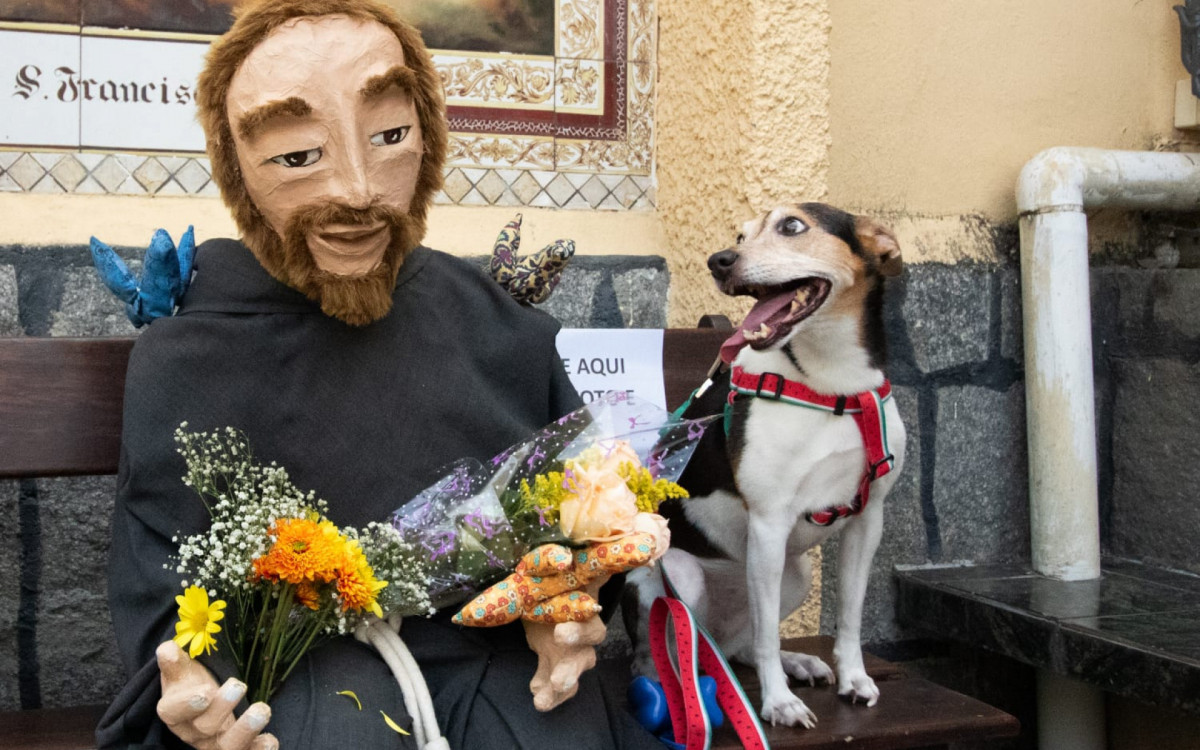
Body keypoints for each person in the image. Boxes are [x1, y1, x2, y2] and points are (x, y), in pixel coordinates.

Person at [95, 1, 659, 748]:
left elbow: (587, 506)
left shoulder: (495, 322)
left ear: (428, 139)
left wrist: (565, 604)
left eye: (390, 136)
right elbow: (163, 582)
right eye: (298, 156)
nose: (357, 192)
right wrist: (197, 692)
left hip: (492, 660)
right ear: (236, 167)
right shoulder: (187, 355)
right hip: (296, 676)